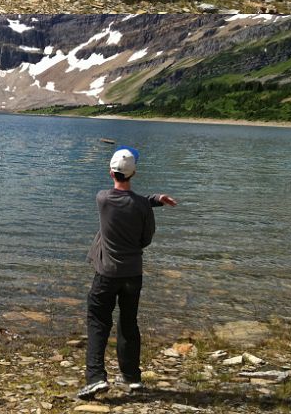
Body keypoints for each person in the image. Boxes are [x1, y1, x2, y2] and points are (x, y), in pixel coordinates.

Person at [78, 147, 178, 401]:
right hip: (133, 274)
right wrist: (155, 199)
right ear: (135, 173)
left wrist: (152, 199)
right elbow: (146, 237)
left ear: (110, 172)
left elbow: (122, 198)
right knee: (129, 323)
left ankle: (96, 378)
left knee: (98, 322)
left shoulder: (102, 198)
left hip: (106, 274)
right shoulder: (144, 206)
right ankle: (132, 378)